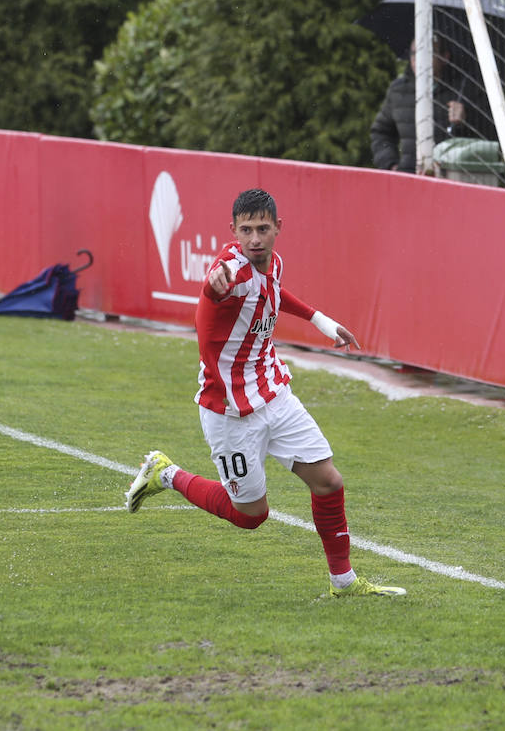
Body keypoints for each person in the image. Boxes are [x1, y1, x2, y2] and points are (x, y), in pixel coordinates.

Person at [124, 188, 406, 599]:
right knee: (251, 516)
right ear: (233, 231)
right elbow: (215, 295)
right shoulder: (229, 273)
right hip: (230, 412)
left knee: (328, 481)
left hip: (273, 393)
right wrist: (211, 288)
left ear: (277, 228)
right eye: (246, 230)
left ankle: (343, 583)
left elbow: (271, 290)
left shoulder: (272, 263)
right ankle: (164, 472)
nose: (254, 238)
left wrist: (320, 320)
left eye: (262, 228)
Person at [370, 37, 493, 174]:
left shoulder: (465, 90)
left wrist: (467, 119)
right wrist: (390, 165)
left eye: (427, 52)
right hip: (408, 177)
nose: (418, 58)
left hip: (451, 178)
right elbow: (381, 133)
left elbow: (489, 138)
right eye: (414, 53)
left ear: (444, 57)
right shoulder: (398, 90)